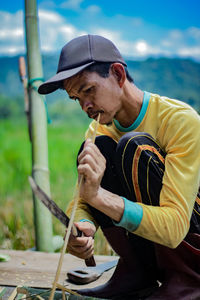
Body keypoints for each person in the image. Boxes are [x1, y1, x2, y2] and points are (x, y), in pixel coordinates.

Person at [38, 35, 200, 299]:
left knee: (134, 147)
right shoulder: (98, 129)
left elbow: (174, 228)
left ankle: (187, 280)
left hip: (192, 241)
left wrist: (100, 198)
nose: (85, 106)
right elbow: (83, 197)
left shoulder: (180, 121)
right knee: (98, 149)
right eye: (76, 98)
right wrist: (81, 225)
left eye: (88, 90)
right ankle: (136, 273)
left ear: (117, 73)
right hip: (153, 249)